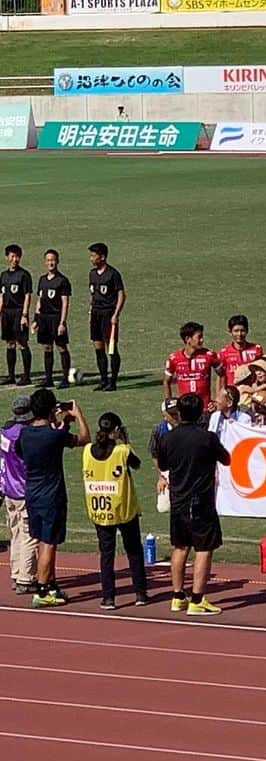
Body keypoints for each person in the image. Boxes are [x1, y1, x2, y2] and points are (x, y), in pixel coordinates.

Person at [157, 393, 231, 616]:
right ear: (200, 413)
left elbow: (163, 463)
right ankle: (197, 599)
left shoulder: (167, 438)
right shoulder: (206, 438)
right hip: (200, 500)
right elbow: (226, 459)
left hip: (178, 499)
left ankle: (178, 595)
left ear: (178, 412)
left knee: (180, 547)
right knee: (204, 548)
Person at [17, 388, 90, 607]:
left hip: (32, 492)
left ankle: (50, 584)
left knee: (43, 541)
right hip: (52, 495)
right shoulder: (54, 435)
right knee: (49, 542)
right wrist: (77, 415)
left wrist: (59, 424)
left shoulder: (25, 433)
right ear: (51, 409)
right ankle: (42, 590)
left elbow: (21, 452)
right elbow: (84, 439)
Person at [83, 412, 148, 610]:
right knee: (134, 551)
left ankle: (108, 597)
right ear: (117, 430)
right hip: (124, 508)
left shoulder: (87, 450)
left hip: (100, 509)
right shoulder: (122, 451)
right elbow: (137, 464)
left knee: (106, 554)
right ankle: (139, 593)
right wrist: (126, 441)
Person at [2, 396, 34, 594]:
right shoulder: (25, 434)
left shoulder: (4, 433)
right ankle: (25, 577)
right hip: (24, 489)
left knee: (15, 532)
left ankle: (16, 573)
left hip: (8, 488)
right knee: (29, 535)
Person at [32, 249, 73, 389]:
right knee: (47, 347)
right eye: (48, 260)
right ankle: (48, 378)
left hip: (56, 318)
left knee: (61, 347)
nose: (51, 262)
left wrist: (62, 323)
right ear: (45, 262)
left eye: (53, 260)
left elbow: (65, 303)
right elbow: (39, 301)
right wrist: (35, 319)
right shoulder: (42, 280)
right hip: (44, 319)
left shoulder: (62, 280)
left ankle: (65, 378)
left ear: (57, 261)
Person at [87, 242, 124, 392]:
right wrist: (90, 311)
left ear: (102, 257)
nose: (91, 258)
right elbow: (93, 295)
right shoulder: (92, 274)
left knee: (111, 348)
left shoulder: (112, 274)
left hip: (108, 314)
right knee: (98, 347)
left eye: (93, 255)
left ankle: (113, 381)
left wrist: (116, 314)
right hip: (96, 313)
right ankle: (103, 380)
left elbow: (121, 294)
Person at [164, 321, 221, 413]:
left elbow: (222, 374)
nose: (202, 340)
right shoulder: (174, 358)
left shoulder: (209, 355)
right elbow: (166, 381)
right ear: (188, 339)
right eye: (199, 337)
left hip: (205, 410)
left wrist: (218, 400)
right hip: (184, 411)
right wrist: (168, 403)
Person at [0, 245, 33, 386]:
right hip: (6, 313)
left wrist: (24, 314)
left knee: (22, 343)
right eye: (12, 256)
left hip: (19, 312)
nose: (15, 259)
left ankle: (26, 376)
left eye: (17, 256)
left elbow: (27, 295)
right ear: (6, 257)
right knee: (9, 343)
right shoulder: (3, 275)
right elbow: (1, 294)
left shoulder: (24, 275)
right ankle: (11, 375)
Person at [217, 314, 263, 388]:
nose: (239, 334)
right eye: (236, 331)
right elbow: (220, 376)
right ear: (230, 332)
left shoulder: (256, 350)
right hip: (232, 394)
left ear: (247, 331)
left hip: (252, 391)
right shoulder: (223, 353)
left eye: (242, 331)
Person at [149, 397, 179, 508]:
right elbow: (154, 454)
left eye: (177, 413)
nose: (175, 416)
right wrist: (161, 477)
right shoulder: (159, 430)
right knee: (163, 507)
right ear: (164, 414)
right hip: (167, 471)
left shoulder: (188, 427)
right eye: (172, 414)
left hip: (185, 471)